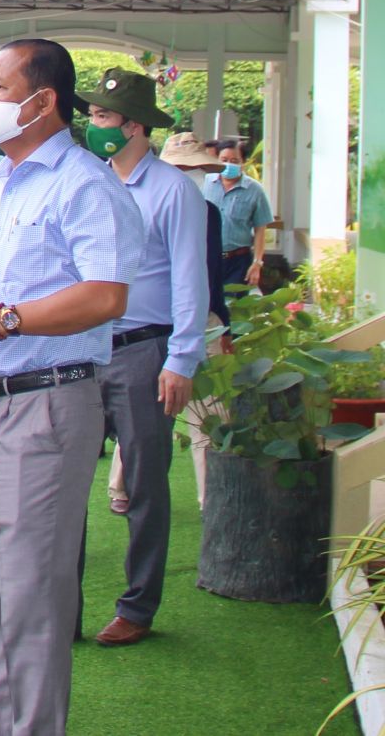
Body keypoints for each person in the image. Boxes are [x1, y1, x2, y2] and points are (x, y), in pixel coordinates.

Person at [0, 39, 142, 736]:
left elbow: (106, 294)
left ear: (43, 100)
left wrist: (6, 321)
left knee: (31, 597)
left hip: (48, 403)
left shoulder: (85, 184)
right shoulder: (5, 182)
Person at [76, 70, 209, 648]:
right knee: (67, 477)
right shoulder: (90, 182)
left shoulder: (175, 191)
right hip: (83, 347)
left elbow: (191, 281)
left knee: (146, 484)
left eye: (103, 117)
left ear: (133, 126)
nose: (93, 125)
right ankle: (61, 599)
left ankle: (138, 606)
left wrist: (182, 359)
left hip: (142, 350)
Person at [107, 131, 229, 513]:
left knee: (206, 416)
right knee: (143, 423)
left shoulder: (203, 209)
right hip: (144, 331)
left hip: (195, 320)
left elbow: (203, 277)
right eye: (183, 169)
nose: (189, 176)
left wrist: (211, 329)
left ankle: (209, 498)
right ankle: (120, 487)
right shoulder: (124, 191)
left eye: (196, 170)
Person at [202, 139, 273, 295]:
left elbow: (260, 229)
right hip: (207, 257)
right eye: (224, 160)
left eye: (235, 161)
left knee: (232, 306)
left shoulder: (255, 190)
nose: (229, 165)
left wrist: (257, 263)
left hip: (238, 261)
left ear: (243, 163)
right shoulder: (204, 183)